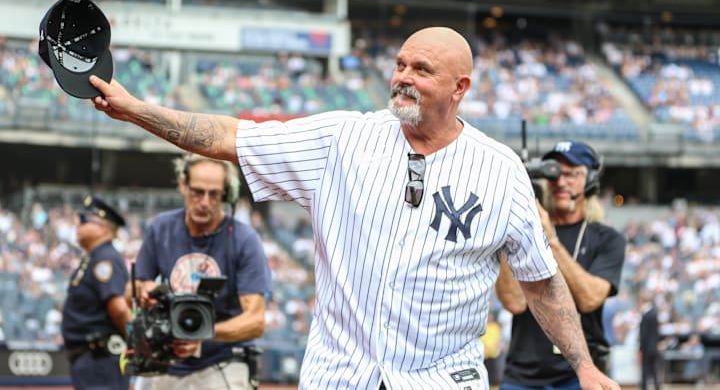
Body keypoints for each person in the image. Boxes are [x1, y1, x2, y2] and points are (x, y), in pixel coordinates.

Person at [89, 26, 620, 390]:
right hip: (340, 375)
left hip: (439, 379)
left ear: (460, 88)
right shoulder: (344, 137)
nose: (404, 76)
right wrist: (137, 111)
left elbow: (541, 283)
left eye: (422, 69)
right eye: (400, 64)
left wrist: (584, 367)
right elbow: (231, 136)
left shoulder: (500, 170)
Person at [129, 153, 270, 389]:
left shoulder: (245, 239)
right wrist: (147, 290)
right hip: (167, 360)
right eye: (197, 191)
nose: (204, 202)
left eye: (214, 194)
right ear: (183, 185)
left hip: (222, 360)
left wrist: (203, 333)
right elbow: (138, 283)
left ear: (226, 194)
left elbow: (255, 321)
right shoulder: (161, 228)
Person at [496, 140, 626, 390]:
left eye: (571, 174)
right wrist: (514, 225)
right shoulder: (526, 229)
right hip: (523, 374)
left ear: (590, 180)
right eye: (554, 174)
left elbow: (590, 299)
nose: (560, 182)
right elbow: (514, 302)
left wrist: (551, 239)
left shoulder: (607, 238)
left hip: (580, 376)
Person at [62, 195, 132, 390]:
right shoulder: (94, 258)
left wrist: (138, 344)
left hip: (101, 361)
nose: (78, 225)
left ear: (102, 227)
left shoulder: (105, 258)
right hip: (92, 360)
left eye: (84, 220)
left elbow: (118, 309)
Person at [639, 293, 661, 390]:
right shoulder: (654, 313)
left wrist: (640, 347)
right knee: (654, 370)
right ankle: (657, 387)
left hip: (647, 347)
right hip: (654, 346)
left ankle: (644, 387)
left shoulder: (646, 314)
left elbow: (643, 334)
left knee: (645, 369)